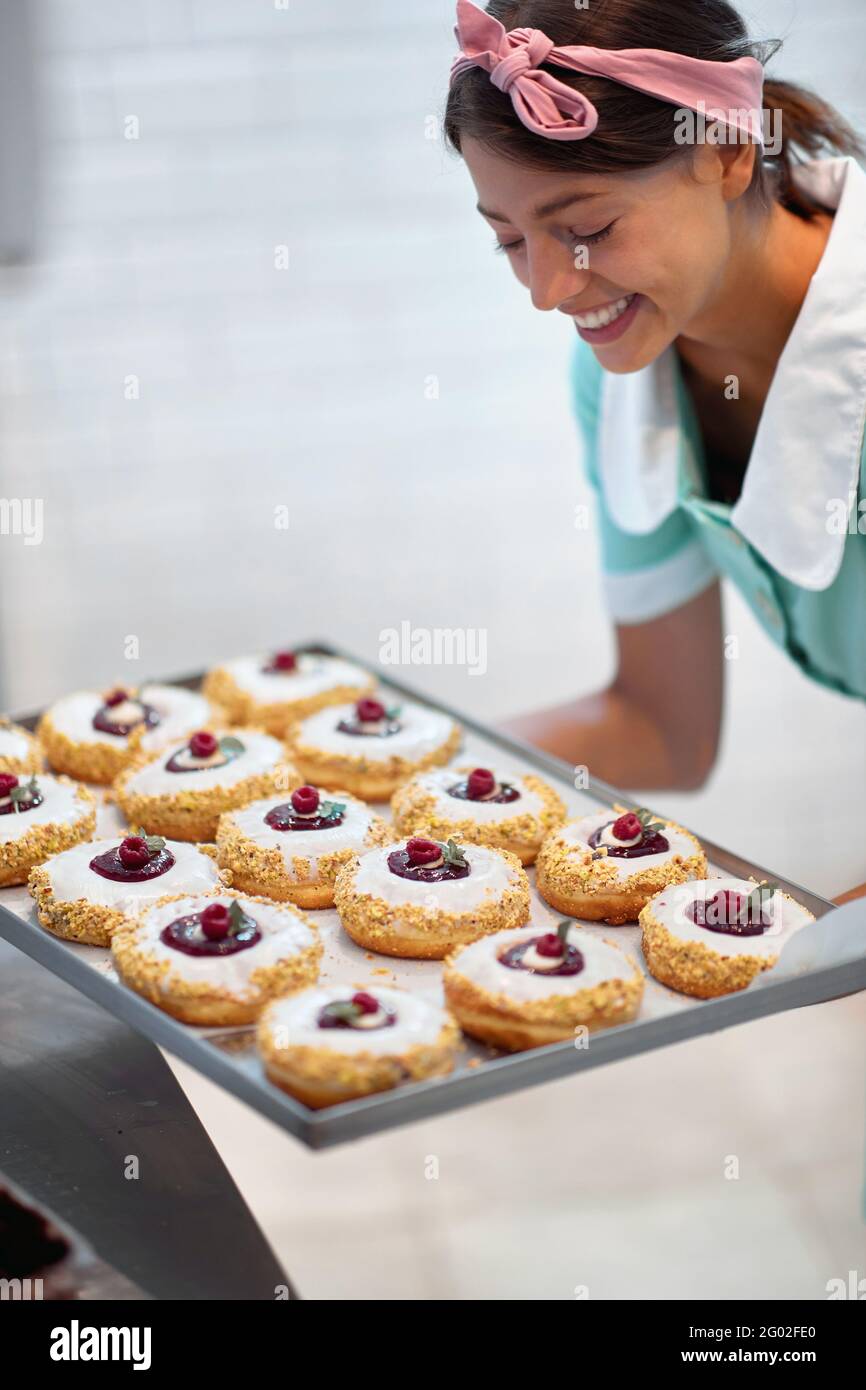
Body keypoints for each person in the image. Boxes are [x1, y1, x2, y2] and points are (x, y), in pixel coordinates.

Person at [443, 0, 866, 821]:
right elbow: (662, 728)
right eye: (510, 240)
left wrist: (820, 945)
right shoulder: (622, 374)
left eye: (588, 227)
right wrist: (400, 768)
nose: (547, 291)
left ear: (730, 152)